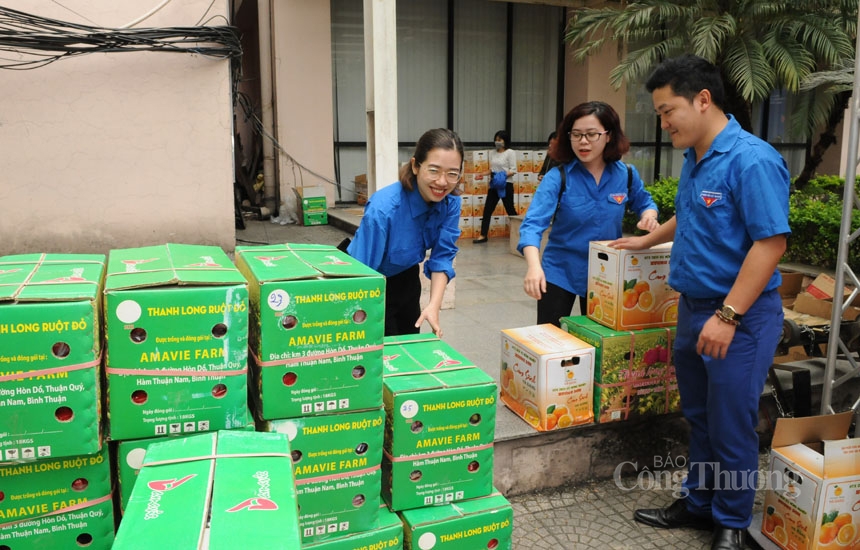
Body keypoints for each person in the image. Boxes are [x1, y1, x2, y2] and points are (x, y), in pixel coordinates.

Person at [612, 55, 790, 550]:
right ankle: (698, 503)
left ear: (703, 100)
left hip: (739, 316)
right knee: (699, 415)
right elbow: (692, 215)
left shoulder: (751, 159)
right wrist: (645, 242)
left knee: (731, 423)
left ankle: (731, 522)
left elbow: (770, 244)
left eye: (668, 111)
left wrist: (728, 315)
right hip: (693, 309)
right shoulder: (695, 156)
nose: (663, 122)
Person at [517, 101, 659, 326]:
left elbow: (645, 203)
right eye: (576, 134)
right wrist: (534, 267)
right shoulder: (558, 177)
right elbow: (533, 225)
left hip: (605, 274)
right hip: (559, 272)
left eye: (592, 134)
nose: (583, 142)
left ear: (608, 136)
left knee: (599, 342)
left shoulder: (627, 175)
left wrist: (649, 216)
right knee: (550, 340)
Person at [347, 128, 463, 338]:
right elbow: (360, 274)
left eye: (452, 173)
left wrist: (433, 306)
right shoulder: (384, 210)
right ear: (415, 166)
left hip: (407, 275)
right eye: (434, 170)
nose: (443, 182)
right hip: (369, 278)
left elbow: (442, 256)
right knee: (383, 354)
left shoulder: (450, 202)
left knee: (409, 342)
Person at [473, 130, 517, 243]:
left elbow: (513, 170)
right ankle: (483, 235)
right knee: (487, 209)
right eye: (496, 140)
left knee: (510, 210)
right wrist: (482, 174)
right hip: (494, 185)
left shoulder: (510, 152)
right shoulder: (493, 153)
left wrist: (501, 176)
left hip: (506, 184)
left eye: (499, 140)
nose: (497, 142)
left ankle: (520, 233)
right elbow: (492, 169)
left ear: (505, 141)